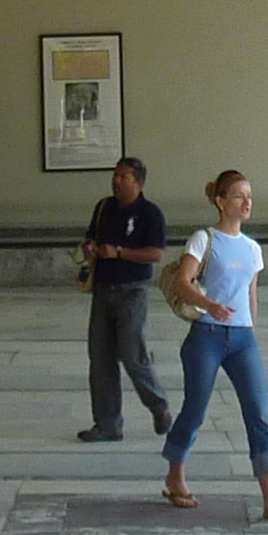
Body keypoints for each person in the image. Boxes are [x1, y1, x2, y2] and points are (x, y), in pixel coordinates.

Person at [161, 169, 268, 522]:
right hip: (207, 336)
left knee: (258, 411)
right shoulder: (204, 239)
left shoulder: (252, 249)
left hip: (242, 339)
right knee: (195, 409)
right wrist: (209, 305)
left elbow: (250, 293)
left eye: (250, 196)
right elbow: (182, 281)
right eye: (239, 196)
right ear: (221, 201)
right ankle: (175, 476)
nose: (247, 202)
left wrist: (250, 328)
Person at [75, 157, 175, 441]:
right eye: (115, 175)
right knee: (101, 358)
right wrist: (90, 248)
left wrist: (119, 252)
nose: (116, 181)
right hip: (103, 290)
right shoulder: (104, 207)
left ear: (138, 183)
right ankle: (107, 424)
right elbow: (89, 238)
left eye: (123, 177)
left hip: (133, 291)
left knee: (132, 355)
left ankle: (159, 406)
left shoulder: (150, 213)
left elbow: (156, 254)